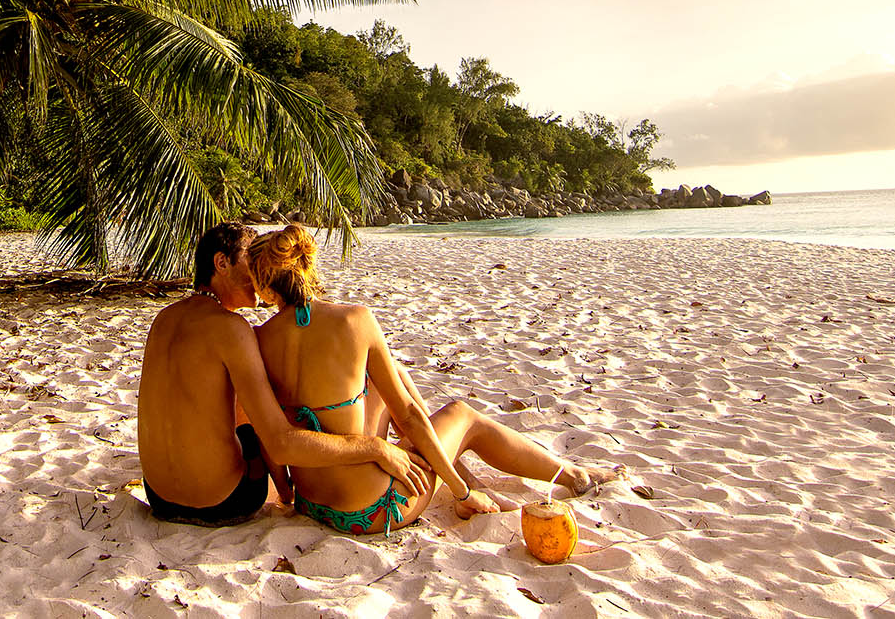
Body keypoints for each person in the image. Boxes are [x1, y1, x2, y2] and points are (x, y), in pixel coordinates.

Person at [249, 224, 623, 536]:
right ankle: (570, 475)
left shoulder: (260, 339)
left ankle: (458, 470)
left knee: (392, 375)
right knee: (464, 415)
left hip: (314, 504)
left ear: (264, 284)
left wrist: (286, 493)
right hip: (374, 511)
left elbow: (268, 433)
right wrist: (459, 495)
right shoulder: (353, 320)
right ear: (308, 265)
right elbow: (409, 416)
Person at [137, 222, 432, 525]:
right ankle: (287, 490)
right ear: (221, 263)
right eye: (250, 261)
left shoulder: (163, 319)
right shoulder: (232, 329)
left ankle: (286, 488)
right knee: (258, 414)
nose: (258, 273)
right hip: (222, 503)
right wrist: (374, 449)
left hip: (158, 497)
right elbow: (280, 442)